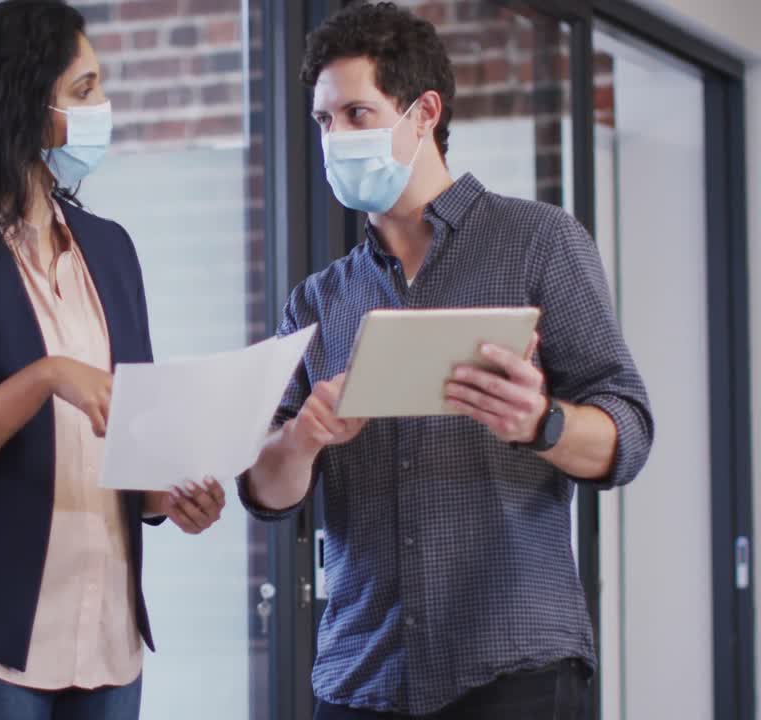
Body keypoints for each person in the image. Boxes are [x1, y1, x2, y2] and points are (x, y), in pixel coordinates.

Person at [238, 3, 654, 719]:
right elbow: (265, 492)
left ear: (424, 113)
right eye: (324, 121)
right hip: (362, 677)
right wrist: (302, 439)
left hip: (513, 665)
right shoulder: (318, 300)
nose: (336, 138)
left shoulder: (539, 243)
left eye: (357, 114)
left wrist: (542, 422)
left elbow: (630, 432)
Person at [0, 2, 227, 718]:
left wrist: (167, 498)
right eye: (85, 91)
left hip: (107, 647)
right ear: (24, 105)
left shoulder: (111, 250)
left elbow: (130, 436)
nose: (104, 109)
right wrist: (43, 379)